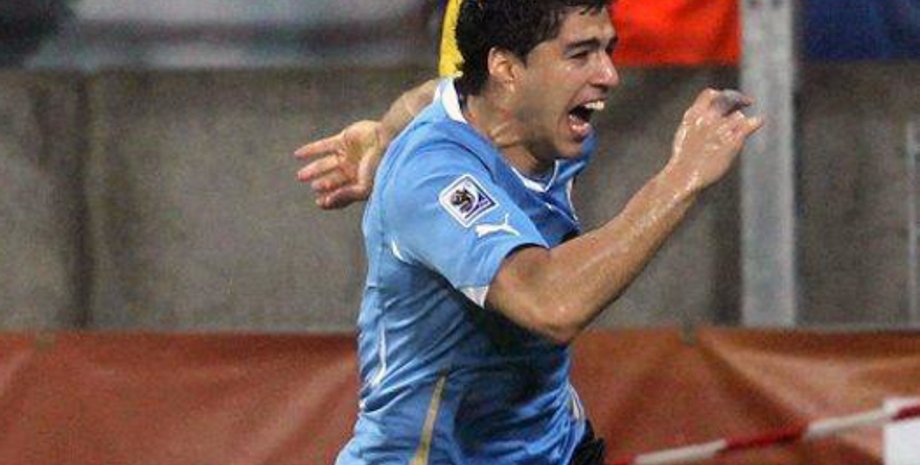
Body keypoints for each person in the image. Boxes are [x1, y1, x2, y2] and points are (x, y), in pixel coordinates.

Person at [295, 0, 763, 464]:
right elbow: (549, 303)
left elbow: (434, 94)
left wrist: (383, 133)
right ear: (506, 69)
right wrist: (683, 177)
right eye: (580, 54)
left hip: (558, 446)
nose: (609, 75)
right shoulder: (433, 174)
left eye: (607, 50)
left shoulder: (547, 129)